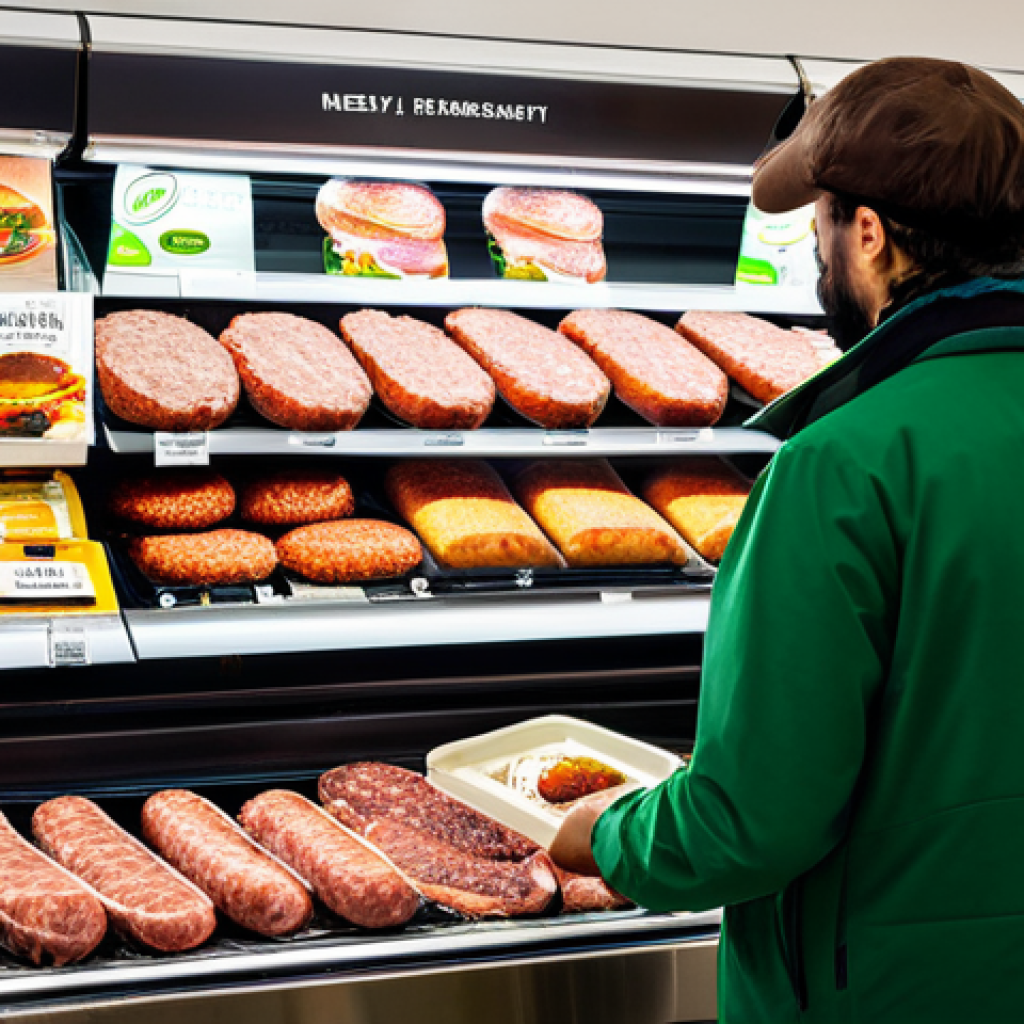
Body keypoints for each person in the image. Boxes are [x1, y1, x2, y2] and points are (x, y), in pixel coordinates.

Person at [550, 57, 1024, 1024]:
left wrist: (609, 837)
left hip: (889, 994)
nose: (818, 259)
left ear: (871, 235)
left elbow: (754, 823)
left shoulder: (842, 464)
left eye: (818, 227)